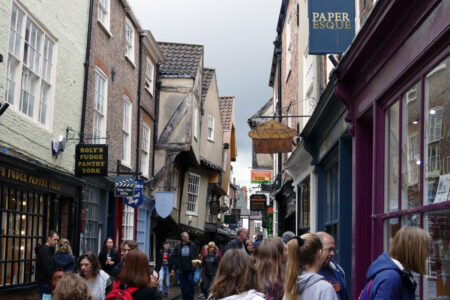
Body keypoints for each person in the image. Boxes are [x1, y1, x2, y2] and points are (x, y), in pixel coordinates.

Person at [361, 226, 431, 299]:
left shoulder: (396, 275)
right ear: (413, 251)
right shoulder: (392, 277)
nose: (428, 255)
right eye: (427, 250)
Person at [284, 233, 338, 300]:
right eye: (329, 250)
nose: (332, 253)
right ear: (319, 252)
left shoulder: (291, 288)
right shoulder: (325, 289)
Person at [316, 232, 348, 300]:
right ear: (318, 250)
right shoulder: (304, 273)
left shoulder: (338, 270)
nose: (332, 253)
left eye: (333, 250)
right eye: (329, 250)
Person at [174, 232, 198, 300]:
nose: (188, 238)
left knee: (191, 283)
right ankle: (185, 298)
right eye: (186, 237)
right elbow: (175, 258)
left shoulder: (192, 245)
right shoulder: (178, 246)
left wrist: (196, 264)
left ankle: (190, 298)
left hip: (190, 269)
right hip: (182, 270)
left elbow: (196, 255)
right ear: (182, 238)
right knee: (183, 285)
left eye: (188, 237)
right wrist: (175, 268)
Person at [36, 230, 59, 299]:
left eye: (57, 240)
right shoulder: (44, 250)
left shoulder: (48, 249)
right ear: (49, 238)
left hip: (46, 282)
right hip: (45, 283)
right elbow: (47, 268)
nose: (56, 242)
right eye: (54, 239)